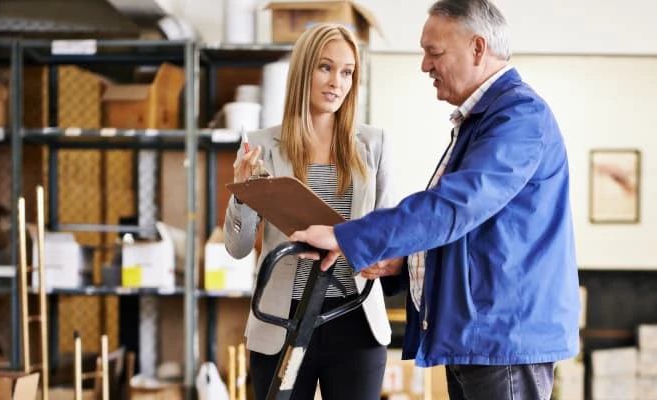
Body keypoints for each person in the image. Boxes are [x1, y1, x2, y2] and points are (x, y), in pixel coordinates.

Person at [289, 0, 581, 399]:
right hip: (477, 338)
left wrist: (348, 236)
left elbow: (453, 207)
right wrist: (402, 261)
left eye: (434, 52)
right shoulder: (482, 120)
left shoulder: (519, 118)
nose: (425, 65)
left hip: (503, 340)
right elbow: (469, 233)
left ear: (477, 48)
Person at [222, 23, 398, 400]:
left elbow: (388, 233)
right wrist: (242, 195)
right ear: (303, 70)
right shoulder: (260, 146)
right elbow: (237, 248)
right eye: (325, 67)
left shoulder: (374, 143)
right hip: (281, 322)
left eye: (347, 72)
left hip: (355, 318)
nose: (336, 82)